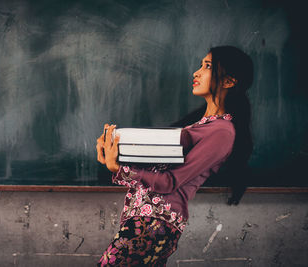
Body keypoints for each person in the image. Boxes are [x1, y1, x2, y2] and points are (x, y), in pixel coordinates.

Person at [95, 46, 254, 266]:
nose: (196, 72)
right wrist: (113, 152)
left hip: (154, 224)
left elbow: (171, 181)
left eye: (207, 66)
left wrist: (119, 170)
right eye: (200, 65)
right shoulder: (199, 126)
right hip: (146, 221)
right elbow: (157, 170)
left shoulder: (221, 132)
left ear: (229, 82)